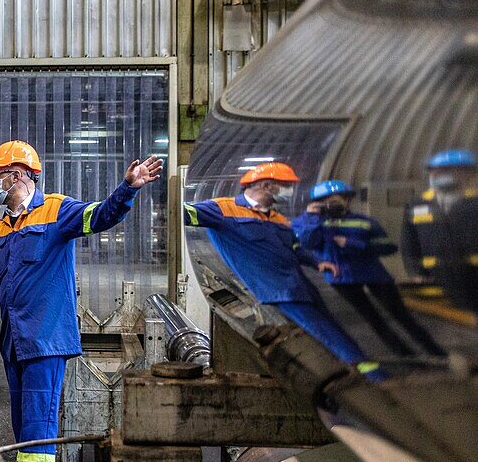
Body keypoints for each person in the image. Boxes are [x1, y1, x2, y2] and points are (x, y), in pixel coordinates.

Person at [0, 141, 162, 462]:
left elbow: (101, 216)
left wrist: (128, 187)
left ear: (18, 175)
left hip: (45, 338)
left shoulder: (56, 210)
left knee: (39, 431)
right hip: (15, 341)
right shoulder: (2, 226)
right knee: (23, 427)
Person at [183, 162, 372, 369]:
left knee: (329, 329)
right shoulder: (224, 209)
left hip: (301, 287)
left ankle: (355, 369)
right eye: (286, 185)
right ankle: (366, 375)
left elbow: (296, 248)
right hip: (276, 293)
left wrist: (319, 262)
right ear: (266, 185)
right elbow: (183, 212)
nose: (290, 191)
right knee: (324, 334)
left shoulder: (278, 218)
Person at [294, 180, 444, 357]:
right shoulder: (307, 223)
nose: (333, 203)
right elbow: (308, 242)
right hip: (341, 278)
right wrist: (312, 217)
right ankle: (408, 357)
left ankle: (437, 354)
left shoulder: (364, 222)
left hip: (374, 274)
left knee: (402, 316)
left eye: (338, 198)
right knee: (374, 319)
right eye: (326, 199)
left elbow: (388, 247)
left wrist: (353, 243)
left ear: (348, 200)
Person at [401, 149, 477, 311]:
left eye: (447, 170)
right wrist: (415, 271)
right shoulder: (418, 205)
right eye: (435, 170)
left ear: (466, 173)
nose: (439, 174)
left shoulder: (475, 202)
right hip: (438, 274)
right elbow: (409, 242)